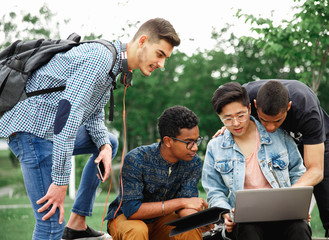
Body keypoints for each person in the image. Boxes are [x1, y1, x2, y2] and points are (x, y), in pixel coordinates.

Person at [0, 18, 181, 240]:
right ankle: (64, 222)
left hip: (50, 132)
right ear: (142, 41)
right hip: (31, 132)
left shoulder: (113, 65)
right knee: (51, 222)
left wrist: (103, 146)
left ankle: (77, 224)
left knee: (109, 142)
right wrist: (60, 182)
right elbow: (66, 120)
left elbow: (94, 115)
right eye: (160, 54)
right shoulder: (100, 58)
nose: (161, 64)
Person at [203, 82, 312, 240]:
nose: (235, 123)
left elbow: (297, 172)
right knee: (248, 229)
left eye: (241, 115)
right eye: (228, 119)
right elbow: (215, 191)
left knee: (300, 228)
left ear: (249, 108)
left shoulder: (279, 137)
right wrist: (225, 213)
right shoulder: (215, 147)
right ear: (219, 117)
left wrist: (298, 206)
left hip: (283, 215)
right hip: (245, 221)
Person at [243, 79, 329, 236]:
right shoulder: (245, 96)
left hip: (312, 143)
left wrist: (287, 201)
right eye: (264, 120)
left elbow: (316, 170)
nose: (270, 127)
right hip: (270, 144)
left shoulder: (307, 110)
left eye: (277, 120)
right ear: (254, 105)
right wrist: (227, 128)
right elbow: (227, 113)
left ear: (289, 107)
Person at [105, 105, 207, 240]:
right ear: (168, 141)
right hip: (125, 218)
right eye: (189, 142)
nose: (195, 148)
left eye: (197, 140)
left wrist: (200, 220)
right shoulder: (136, 159)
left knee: (190, 228)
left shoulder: (193, 162)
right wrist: (181, 202)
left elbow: (187, 205)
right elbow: (132, 211)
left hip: (162, 220)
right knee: (137, 230)